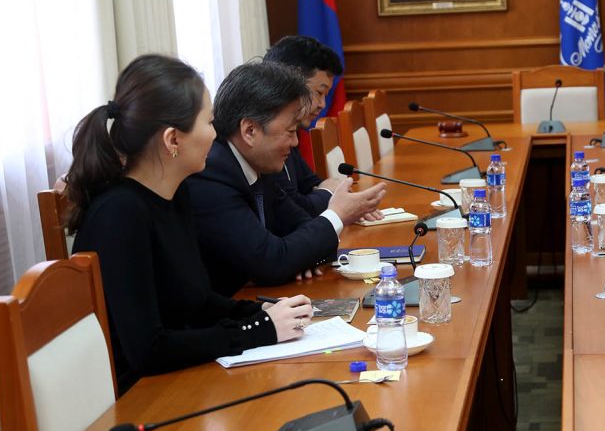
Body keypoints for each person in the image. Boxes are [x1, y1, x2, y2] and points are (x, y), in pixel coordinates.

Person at [68, 55, 313, 395]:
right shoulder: (120, 214)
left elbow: (195, 301)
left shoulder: (176, 193)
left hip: (182, 379)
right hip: (143, 398)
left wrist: (260, 311)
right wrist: (258, 330)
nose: (216, 134)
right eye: (209, 122)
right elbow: (148, 350)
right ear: (173, 139)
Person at [187, 61, 386, 296]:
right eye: (290, 132)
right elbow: (270, 262)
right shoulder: (211, 175)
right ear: (250, 130)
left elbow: (301, 224)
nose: (295, 142)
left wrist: (302, 256)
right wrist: (338, 214)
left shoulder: (258, 164)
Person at [263, 35, 343, 216]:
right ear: (291, 83)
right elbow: (297, 208)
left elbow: (310, 183)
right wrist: (330, 193)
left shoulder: (293, 131)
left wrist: (336, 195)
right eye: (319, 93)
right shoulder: (267, 137)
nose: (323, 105)